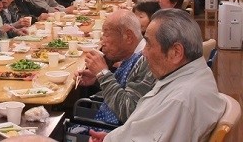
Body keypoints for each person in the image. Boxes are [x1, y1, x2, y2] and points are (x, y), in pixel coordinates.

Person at [89, 9, 226, 142]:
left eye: (148, 44)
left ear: (176, 53)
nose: (143, 52)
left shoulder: (179, 102)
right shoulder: (191, 74)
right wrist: (113, 137)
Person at [74, 10, 156, 132]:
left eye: (106, 35)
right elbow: (124, 89)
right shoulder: (133, 54)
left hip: (113, 132)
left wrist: (103, 74)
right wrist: (97, 79)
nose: (102, 42)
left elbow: (128, 112)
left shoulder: (146, 61)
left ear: (128, 37)